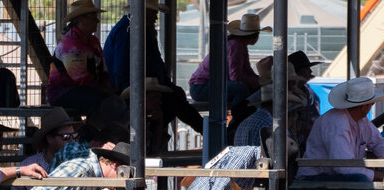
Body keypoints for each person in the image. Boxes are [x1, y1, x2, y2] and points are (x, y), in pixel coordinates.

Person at [290, 77, 384, 190]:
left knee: (360, 181)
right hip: (312, 183)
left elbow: (378, 142)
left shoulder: (361, 120)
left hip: (327, 181)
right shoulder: (337, 122)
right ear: (366, 106)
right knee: (359, 182)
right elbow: (344, 167)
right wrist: (380, 175)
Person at [104, 0, 203, 132]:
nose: (156, 17)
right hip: (135, 91)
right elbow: (121, 70)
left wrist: (170, 86)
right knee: (174, 104)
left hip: (143, 89)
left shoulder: (141, 30)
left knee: (174, 102)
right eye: (153, 13)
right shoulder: (127, 31)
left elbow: (157, 64)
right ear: (143, 12)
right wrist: (129, 94)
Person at [2, 107, 81, 190]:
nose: (72, 142)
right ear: (50, 139)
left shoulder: (80, 164)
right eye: (66, 137)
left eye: (74, 136)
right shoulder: (28, 166)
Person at [189, 14, 269, 105]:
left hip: (202, 87)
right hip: (201, 88)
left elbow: (247, 70)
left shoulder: (239, 44)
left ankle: (245, 115)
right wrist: (259, 82)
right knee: (240, 88)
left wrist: (259, 81)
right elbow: (236, 76)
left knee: (252, 88)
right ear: (255, 35)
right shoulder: (236, 46)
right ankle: (239, 116)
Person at [48, 0, 112, 110]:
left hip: (84, 90)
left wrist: (110, 88)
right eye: (93, 17)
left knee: (112, 99)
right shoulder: (70, 43)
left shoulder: (93, 41)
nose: (97, 20)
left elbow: (103, 70)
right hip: (63, 93)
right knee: (105, 101)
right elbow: (80, 78)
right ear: (81, 20)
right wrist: (106, 91)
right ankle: (96, 126)